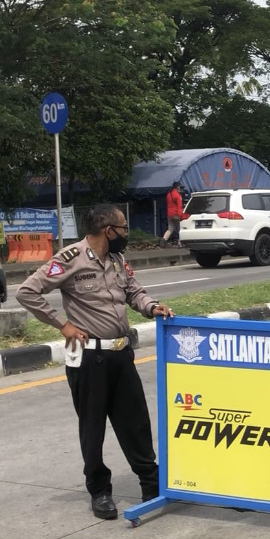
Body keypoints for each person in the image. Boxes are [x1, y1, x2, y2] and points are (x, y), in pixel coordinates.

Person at [16, 204, 175, 520]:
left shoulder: (117, 260)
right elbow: (27, 292)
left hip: (120, 353)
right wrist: (62, 325)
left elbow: (133, 292)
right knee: (93, 427)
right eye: (123, 228)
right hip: (90, 359)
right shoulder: (70, 259)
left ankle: (150, 483)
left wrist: (151, 307)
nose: (126, 234)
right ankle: (100, 491)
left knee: (136, 422)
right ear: (108, 230)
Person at [161, 181, 183, 247]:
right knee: (180, 229)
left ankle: (164, 239)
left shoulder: (168, 194)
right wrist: (180, 215)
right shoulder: (178, 195)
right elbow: (179, 206)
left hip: (169, 214)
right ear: (177, 187)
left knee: (170, 228)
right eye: (179, 187)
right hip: (176, 214)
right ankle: (180, 243)